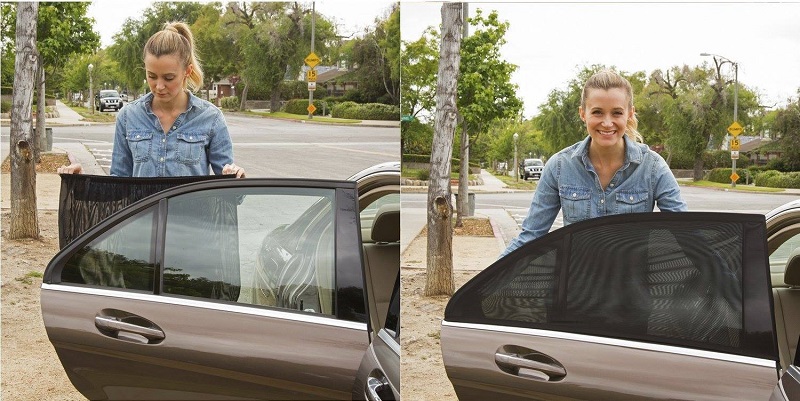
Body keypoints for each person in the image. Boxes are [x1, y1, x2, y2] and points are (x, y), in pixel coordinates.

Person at [500, 69, 687, 257]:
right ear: (583, 114)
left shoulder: (653, 167)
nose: (607, 123)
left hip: (632, 285)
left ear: (630, 114)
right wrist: (484, 282)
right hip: (578, 284)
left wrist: (714, 273)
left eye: (616, 113)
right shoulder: (559, 167)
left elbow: (687, 234)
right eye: (597, 112)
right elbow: (530, 237)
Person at [58, 21, 245, 178]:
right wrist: (81, 179)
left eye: (169, 78)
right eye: (152, 76)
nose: (159, 86)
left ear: (187, 71)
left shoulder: (211, 118)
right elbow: (117, 187)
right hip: (142, 221)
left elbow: (228, 189)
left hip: (191, 221)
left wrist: (236, 176)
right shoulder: (128, 117)